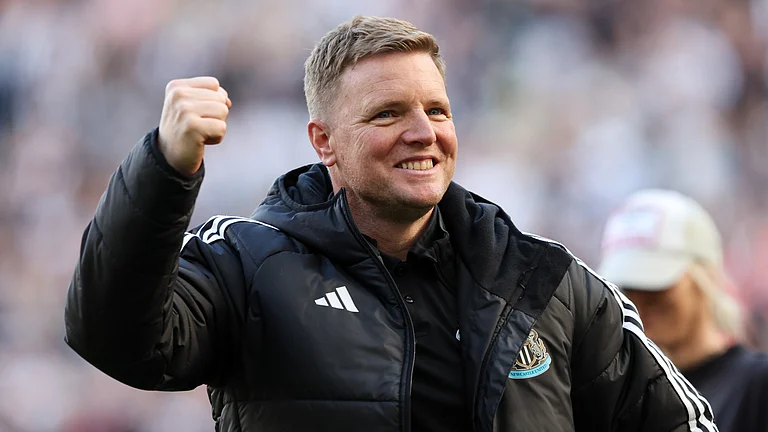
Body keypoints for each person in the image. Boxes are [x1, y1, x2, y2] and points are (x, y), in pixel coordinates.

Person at [64, 16, 717, 432]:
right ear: (325, 142)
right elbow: (112, 334)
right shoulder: (245, 264)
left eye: (437, 109)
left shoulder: (546, 279)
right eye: (388, 114)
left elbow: (684, 421)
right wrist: (163, 170)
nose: (422, 132)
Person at [598, 189, 768, 432]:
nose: (639, 302)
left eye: (654, 282)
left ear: (705, 277)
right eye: (626, 288)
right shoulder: (612, 401)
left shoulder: (756, 387)